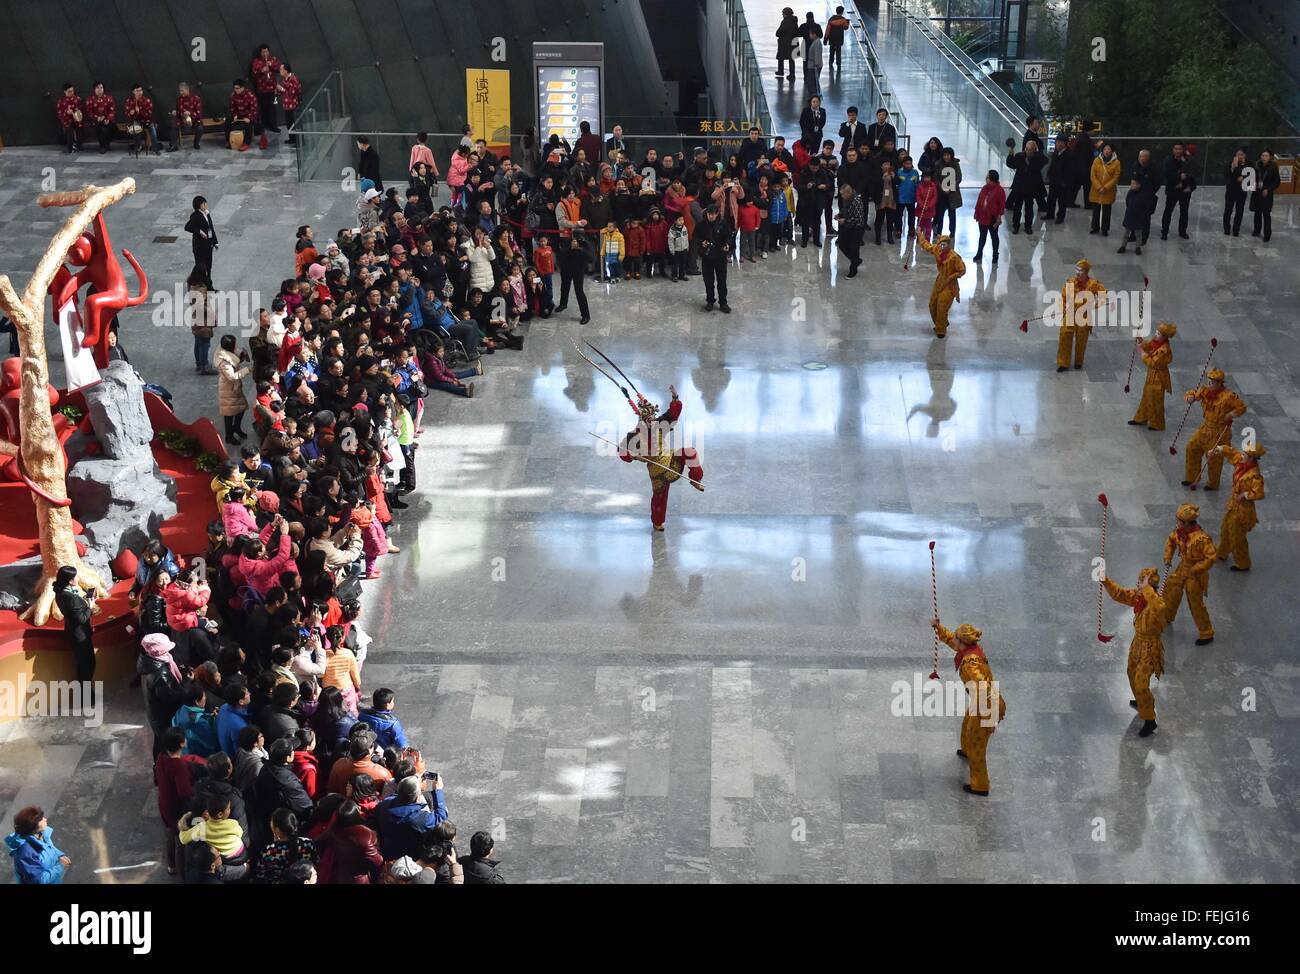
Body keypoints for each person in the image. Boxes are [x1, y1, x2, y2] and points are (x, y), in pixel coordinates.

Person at [929, 619, 1005, 796]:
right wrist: (939, 628)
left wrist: (991, 712)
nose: (953, 640)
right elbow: (950, 639)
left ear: (962, 642)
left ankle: (980, 785)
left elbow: (982, 685)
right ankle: (966, 750)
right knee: (967, 727)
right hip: (980, 702)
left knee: (977, 743)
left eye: (956, 638)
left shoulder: (971, 663)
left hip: (986, 705)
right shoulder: (970, 650)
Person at [618, 386, 704, 532]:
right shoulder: (634, 435)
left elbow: (672, 415)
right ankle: (657, 522)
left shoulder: (659, 424)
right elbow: (622, 452)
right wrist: (635, 456)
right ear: (642, 418)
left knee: (690, 452)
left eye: (652, 417)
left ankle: (696, 479)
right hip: (656, 468)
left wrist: (675, 398)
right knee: (660, 496)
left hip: (669, 457)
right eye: (648, 419)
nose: (652, 421)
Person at [1102, 567, 1167, 738]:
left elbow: (1160, 608)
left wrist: (1147, 589)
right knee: (1131, 673)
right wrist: (1105, 581)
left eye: (1141, 583)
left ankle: (1150, 719)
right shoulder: (1139, 598)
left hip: (1150, 648)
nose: (1137, 585)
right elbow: (1120, 594)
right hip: (1137, 643)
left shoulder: (1156, 602)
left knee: (1141, 683)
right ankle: (1141, 702)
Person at [1180, 368, 1247, 489]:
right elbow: (1193, 394)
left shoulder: (1229, 396)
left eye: (1213, 382)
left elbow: (1241, 408)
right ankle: (1191, 477)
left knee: (1214, 457)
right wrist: (1190, 398)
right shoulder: (1205, 390)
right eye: (1209, 381)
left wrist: (1231, 415)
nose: (1209, 383)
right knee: (1192, 447)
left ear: (1220, 383)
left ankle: (1213, 483)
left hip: (1219, 430)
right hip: (1205, 427)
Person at [1162, 503, 1217, 645]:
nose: (1177, 523)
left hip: (1195, 574)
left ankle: (1206, 632)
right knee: (1171, 590)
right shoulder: (1180, 533)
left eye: (1179, 521)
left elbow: (1211, 557)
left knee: (1195, 602)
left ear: (1186, 523)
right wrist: (1168, 557)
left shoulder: (1202, 539)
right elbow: (1170, 542)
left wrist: (1197, 568)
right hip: (1182, 567)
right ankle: (1166, 616)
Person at [1212, 441, 1267, 573]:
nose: (1242, 455)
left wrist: (1245, 495)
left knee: (1237, 537)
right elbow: (1232, 453)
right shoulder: (1242, 463)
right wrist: (1219, 449)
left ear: (1252, 458)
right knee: (1225, 528)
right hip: (1234, 506)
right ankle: (1222, 552)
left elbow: (1259, 493)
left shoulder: (1255, 475)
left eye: (1245, 454)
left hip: (1243, 511)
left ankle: (1243, 563)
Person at [1055, 259, 1106, 373]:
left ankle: (1078, 362)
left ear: (1086, 272)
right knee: (1065, 337)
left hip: (1084, 316)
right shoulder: (1070, 282)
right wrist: (1063, 309)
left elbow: (1103, 294)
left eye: (1081, 270)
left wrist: (1094, 305)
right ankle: (1063, 362)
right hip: (1070, 314)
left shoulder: (1093, 284)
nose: (1078, 272)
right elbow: (1063, 298)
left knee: (1081, 340)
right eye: (1076, 269)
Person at [53, 565, 96, 694]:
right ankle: (86, 695)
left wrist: (82, 603)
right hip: (80, 635)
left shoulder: (60, 592)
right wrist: (90, 605)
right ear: (70, 581)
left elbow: (73, 612)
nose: (78, 578)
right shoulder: (71, 599)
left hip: (72, 632)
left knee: (81, 664)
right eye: (75, 576)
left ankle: (84, 693)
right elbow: (82, 619)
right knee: (88, 664)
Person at [912, 232, 965, 338]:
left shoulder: (954, 257)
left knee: (942, 306)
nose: (941, 247)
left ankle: (941, 330)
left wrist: (951, 276)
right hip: (940, 281)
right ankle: (942, 322)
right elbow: (926, 245)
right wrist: (920, 234)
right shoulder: (937, 250)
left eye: (944, 245)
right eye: (940, 244)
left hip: (950, 285)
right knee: (932, 304)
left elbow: (962, 270)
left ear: (948, 245)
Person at [1127, 322, 1176, 430]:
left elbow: (1152, 363)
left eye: (1158, 334)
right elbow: (1149, 345)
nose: (1156, 334)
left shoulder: (1164, 350)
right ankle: (1141, 418)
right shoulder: (1156, 342)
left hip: (1158, 378)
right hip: (1151, 376)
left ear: (1164, 337)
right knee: (1146, 397)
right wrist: (1140, 341)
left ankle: (1157, 424)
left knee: (1155, 400)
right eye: (1156, 332)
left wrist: (1141, 352)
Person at [6, 807, 70, 884]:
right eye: (41, 819)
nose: (45, 819)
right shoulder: (26, 853)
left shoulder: (41, 835)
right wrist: (61, 866)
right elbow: (39, 880)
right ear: (32, 825)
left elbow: (49, 848)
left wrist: (59, 856)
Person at [1117, 149, 1156, 254]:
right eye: (1140, 157)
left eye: (1144, 157)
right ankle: (1125, 243)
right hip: (1131, 214)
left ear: (1148, 158)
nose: (1142, 159)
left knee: (1144, 222)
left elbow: (1156, 182)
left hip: (1146, 198)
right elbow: (1128, 201)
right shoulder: (1135, 166)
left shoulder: (1152, 168)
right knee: (1127, 232)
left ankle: (1141, 241)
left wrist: (1149, 192)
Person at [216, 333, 252, 444]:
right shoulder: (224, 362)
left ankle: (236, 427)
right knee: (229, 413)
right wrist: (247, 370)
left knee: (240, 408)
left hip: (234, 388)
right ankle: (229, 435)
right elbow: (231, 377)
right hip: (228, 389)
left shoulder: (227, 354)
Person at [1005, 137, 1045, 234]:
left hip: (1030, 188)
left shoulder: (1037, 159)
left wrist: (1038, 152)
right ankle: (1016, 226)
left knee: (1029, 208)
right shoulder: (1019, 156)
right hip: (1019, 187)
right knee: (1017, 208)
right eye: (1026, 149)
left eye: (1030, 150)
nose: (1027, 151)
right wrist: (1010, 153)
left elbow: (1044, 160)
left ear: (1034, 151)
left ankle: (1028, 226)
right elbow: (1011, 164)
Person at [696, 206, 731, 313]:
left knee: (722, 280)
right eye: (709, 214)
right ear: (706, 214)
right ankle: (710, 301)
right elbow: (696, 237)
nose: (711, 216)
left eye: (713, 214)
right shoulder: (701, 224)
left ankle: (723, 302)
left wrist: (728, 245)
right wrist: (702, 242)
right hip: (707, 257)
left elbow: (729, 237)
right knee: (708, 281)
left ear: (717, 214)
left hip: (720, 256)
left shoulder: (723, 224)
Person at [1159, 142, 1196, 240]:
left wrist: (1186, 179)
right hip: (1173, 190)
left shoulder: (1188, 160)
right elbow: (1166, 173)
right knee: (1168, 211)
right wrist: (1178, 176)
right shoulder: (1168, 160)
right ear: (1173, 150)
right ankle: (1164, 231)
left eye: (1180, 149)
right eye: (1176, 149)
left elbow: (1193, 173)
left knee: (1184, 212)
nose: (1178, 151)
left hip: (1185, 190)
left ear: (1182, 149)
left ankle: (1182, 231)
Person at [972, 170, 1005, 264]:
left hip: (992, 218)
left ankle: (995, 254)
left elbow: (1002, 205)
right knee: (982, 236)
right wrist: (977, 214)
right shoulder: (984, 188)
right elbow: (979, 201)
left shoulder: (999, 190)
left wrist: (999, 217)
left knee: (994, 236)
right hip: (983, 217)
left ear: (992, 180)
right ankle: (979, 253)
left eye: (987, 177)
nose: (986, 178)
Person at [556, 235, 591, 324]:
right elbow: (561, 256)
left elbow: (591, 258)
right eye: (573, 241)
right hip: (566, 271)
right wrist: (570, 249)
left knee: (579, 292)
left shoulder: (584, 248)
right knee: (564, 288)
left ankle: (585, 315)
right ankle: (563, 304)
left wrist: (581, 249)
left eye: (576, 241)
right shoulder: (567, 247)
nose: (574, 243)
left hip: (578, 273)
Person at [185, 195, 217, 290]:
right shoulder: (195, 215)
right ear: (199, 205)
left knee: (208, 267)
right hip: (200, 248)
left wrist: (215, 242)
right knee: (202, 268)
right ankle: (207, 286)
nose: (205, 205)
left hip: (208, 246)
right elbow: (187, 227)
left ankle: (208, 285)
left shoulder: (206, 213)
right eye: (204, 203)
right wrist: (199, 231)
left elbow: (211, 228)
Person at [1088, 142, 1120, 236]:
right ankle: (1095, 227)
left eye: (1109, 149)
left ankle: (1105, 229)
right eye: (1105, 149)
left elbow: (1116, 177)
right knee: (1096, 209)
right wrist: (1098, 187)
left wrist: (1105, 187)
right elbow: (1092, 175)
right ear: (1102, 150)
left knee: (1107, 210)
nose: (1107, 151)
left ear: (1112, 151)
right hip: (1096, 189)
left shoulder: (1116, 163)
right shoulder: (1096, 160)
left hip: (1108, 190)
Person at [1250, 149, 1280, 241]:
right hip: (1257, 192)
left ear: (1270, 157)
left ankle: (1267, 235)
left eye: (1266, 156)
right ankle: (1257, 230)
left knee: (1266, 214)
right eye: (1262, 156)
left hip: (1267, 194)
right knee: (1257, 213)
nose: (1264, 158)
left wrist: (1268, 189)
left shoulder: (1273, 167)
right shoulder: (1257, 166)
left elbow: (1277, 182)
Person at [835, 184, 865, 276]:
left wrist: (845, 220)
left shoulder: (856, 202)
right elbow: (845, 210)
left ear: (849, 193)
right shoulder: (846, 199)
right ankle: (856, 260)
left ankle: (853, 270)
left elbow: (858, 219)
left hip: (857, 229)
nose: (842, 196)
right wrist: (840, 215)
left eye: (843, 194)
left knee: (854, 248)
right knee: (842, 244)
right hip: (847, 227)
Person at [171, 81, 205, 151]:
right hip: (182, 119)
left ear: (187, 89)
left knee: (200, 128)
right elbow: (178, 111)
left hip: (193, 120)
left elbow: (199, 114)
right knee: (173, 124)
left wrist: (190, 113)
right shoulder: (179, 99)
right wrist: (175, 112)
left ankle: (196, 142)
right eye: (180, 91)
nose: (181, 92)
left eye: (182, 90)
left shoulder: (196, 98)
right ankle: (173, 145)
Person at [1223, 147, 1249, 236]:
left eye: (1241, 154)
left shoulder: (1249, 164)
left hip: (1242, 191)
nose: (1239, 156)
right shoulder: (1231, 163)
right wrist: (1232, 168)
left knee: (1239, 211)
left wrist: (1244, 178)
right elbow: (1226, 175)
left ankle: (1236, 230)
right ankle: (1226, 228)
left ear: (1245, 155)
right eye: (1238, 154)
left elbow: (1252, 176)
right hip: (1231, 190)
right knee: (1228, 210)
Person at [225, 79, 258, 150]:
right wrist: (235, 115)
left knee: (248, 124)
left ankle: (246, 143)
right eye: (234, 88)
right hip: (239, 115)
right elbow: (232, 107)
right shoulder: (233, 95)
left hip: (250, 116)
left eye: (237, 88)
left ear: (243, 88)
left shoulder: (250, 95)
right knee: (227, 121)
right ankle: (228, 141)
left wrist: (249, 117)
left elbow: (254, 108)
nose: (235, 90)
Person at [86, 82, 116, 153]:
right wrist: (97, 118)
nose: (100, 90)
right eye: (97, 88)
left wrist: (108, 119)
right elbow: (89, 112)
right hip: (95, 120)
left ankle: (106, 143)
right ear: (94, 89)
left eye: (101, 88)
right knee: (100, 128)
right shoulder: (90, 99)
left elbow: (112, 111)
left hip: (107, 119)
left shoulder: (109, 98)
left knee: (114, 127)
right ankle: (102, 146)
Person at [56, 83, 83, 153]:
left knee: (80, 128)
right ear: (65, 92)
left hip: (77, 120)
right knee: (69, 131)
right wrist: (66, 113)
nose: (71, 93)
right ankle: (70, 147)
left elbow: (82, 109)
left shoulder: (78, 99)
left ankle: (79, 145)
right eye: (69, 91)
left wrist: (78, 113)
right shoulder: (61, 102)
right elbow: (59, 115)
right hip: (67, 121)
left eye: (72, 91)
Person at [801, 12, 824, 93]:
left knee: (805, 62)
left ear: (806, 17)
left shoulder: (803, 26)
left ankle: (806, 77)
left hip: (805, 46)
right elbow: (821, 35)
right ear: (813, 17)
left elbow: (799, 33)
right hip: (812, 47)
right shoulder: (817, 26)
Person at [775, 8, 800, 81]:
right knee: (791, 59)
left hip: (785, 43)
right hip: (793, 42)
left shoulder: (785, 22)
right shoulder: (794, 21)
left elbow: (778, 33)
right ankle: (792, 74)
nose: (782, 15)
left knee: (780, 57)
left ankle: (780, 71)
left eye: (783, 13)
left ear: (786, 14)